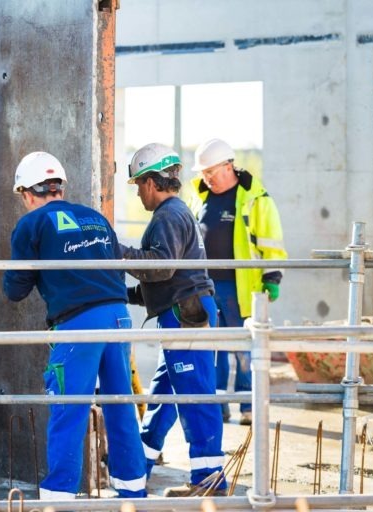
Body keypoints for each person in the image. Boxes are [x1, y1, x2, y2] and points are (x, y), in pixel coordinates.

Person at [3, 151, 147, 500]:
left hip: (80, 322)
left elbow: (14, 289)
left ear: (27, 192)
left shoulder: (31, 224)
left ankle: (59, 498)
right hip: (119, 316)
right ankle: (132, 492)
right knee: (119, 402)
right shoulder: (96, 218)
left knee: (70, 405)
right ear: (59, 188)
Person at [120, 143, 227, 497]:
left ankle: (209, 480)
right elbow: (170, 274)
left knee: (195, 395)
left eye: (138, 185)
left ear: (153, 182)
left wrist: (116, 253)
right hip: (183, 311)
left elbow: (161, 265)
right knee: (164, 396)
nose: (138, 193)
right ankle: (141, 462)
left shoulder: (168, 215)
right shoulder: (178, 213)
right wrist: (126, 295)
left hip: (186, 314)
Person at [190, 138, 287, 425]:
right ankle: (219, 405)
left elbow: (271, 241)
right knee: (213, 346)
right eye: (203, 173)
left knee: (243, 346)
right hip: (206, 285)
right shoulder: (199, 196)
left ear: (228, 166)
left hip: (240, 286)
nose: (206, 178)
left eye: (211, 172)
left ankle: (248, 406)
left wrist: (272, 277)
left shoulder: (256, 199)